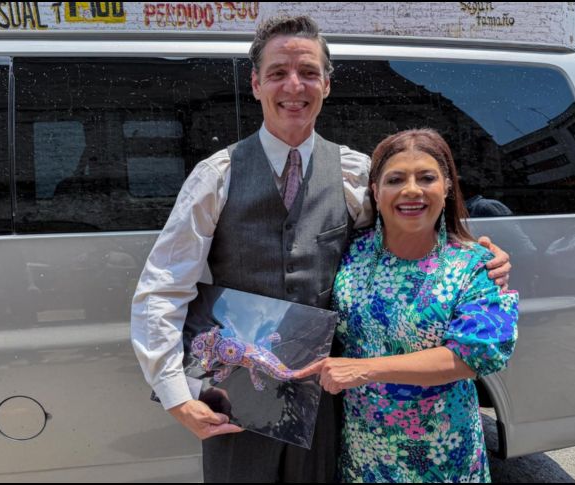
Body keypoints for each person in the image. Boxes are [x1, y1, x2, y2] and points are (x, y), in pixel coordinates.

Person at [130, 16, 511, 483]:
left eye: (309, 72)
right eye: (277, 73)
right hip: (233, 397)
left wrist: (474, 254)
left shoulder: (355, 174)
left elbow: (407, 236)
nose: (294, 85)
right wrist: (175, 396)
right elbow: (163, 289)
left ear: (327, 84)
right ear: (256, 84)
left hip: (326, 400)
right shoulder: (216, 175)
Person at [297, 129, 519, 483]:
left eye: (426, 177)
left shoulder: (475, 266)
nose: (411, 190)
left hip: (443, 455)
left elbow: (472, 356)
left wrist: (365, 370)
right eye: (395, 179)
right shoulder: (350, 252)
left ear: (446, 187)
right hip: (364, 452)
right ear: (375, 191)